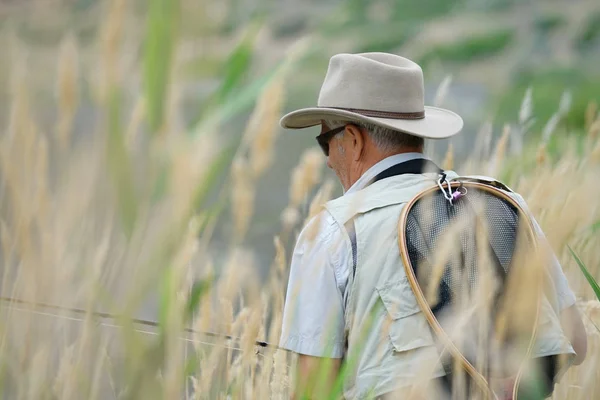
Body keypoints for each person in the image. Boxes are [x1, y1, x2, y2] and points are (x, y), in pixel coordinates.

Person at [278, 52, 587, 399]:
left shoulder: (331, 231)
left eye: (325, 142)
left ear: (353, 139)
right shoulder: (506, 201)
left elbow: (313, 392)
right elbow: (576, 340)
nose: (330, 161)